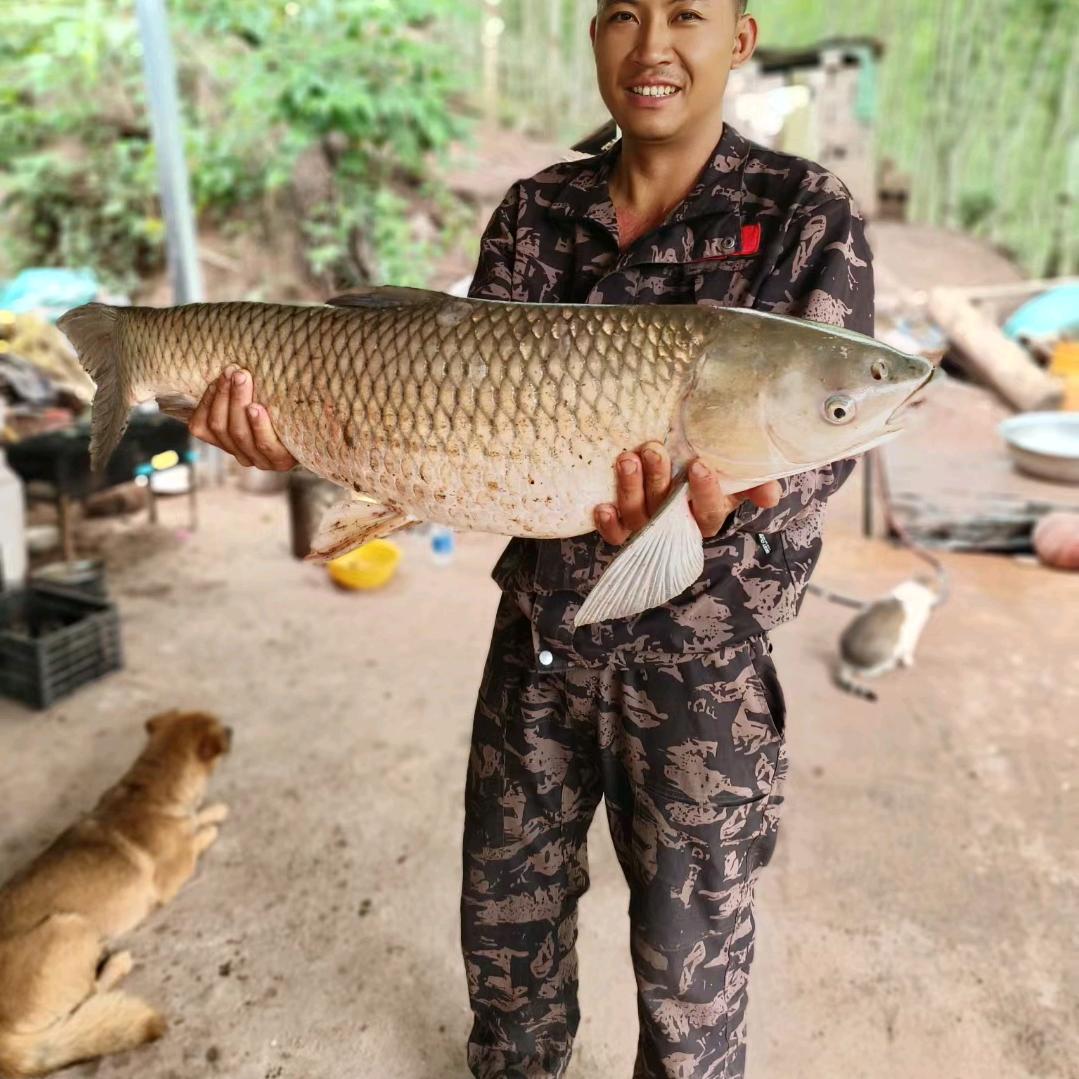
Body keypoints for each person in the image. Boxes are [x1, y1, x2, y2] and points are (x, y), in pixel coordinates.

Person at [189, 2, 874, 1074]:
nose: (651, 47)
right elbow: (452, 417)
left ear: (738, 38)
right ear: (594, 39)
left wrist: (723, 503)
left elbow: (821, 443)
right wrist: (314, 434)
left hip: (702, 666)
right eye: (619, 16)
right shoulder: (536, 209)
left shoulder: (802, 211)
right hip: (541, 639)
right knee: (505, 940)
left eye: (686, 14)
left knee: (690, 981)